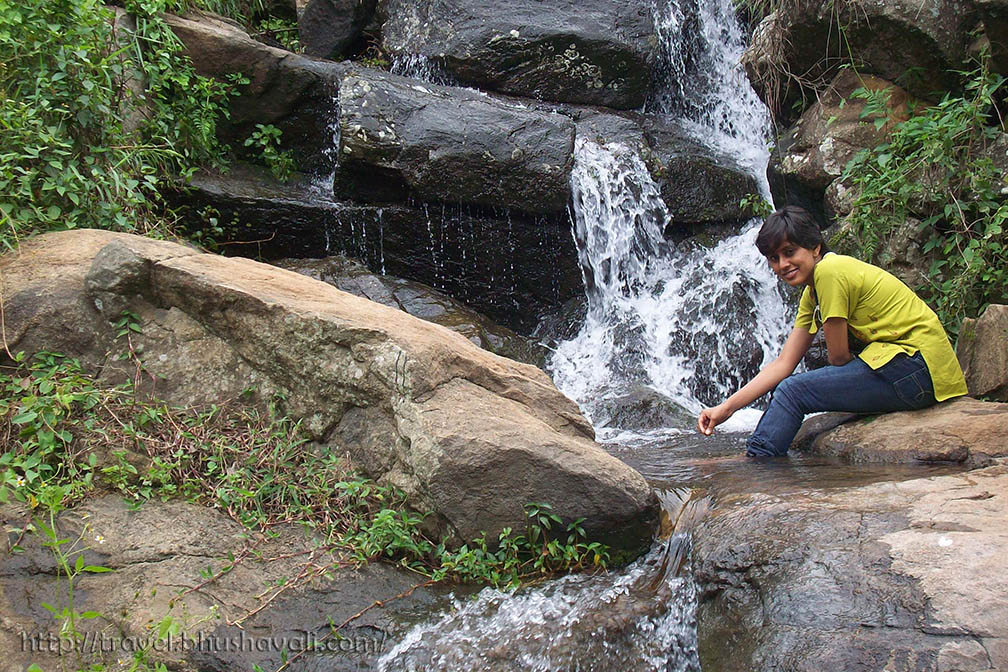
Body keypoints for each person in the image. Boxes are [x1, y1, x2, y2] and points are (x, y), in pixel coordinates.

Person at [697, 205, 968, 457]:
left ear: (815, 248)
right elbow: (784, 363)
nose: (782, 265)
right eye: (774, 258)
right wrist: (726, 409)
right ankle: (761, 462)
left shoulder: (829, 270)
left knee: (793, 392)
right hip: (917, 373)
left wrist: (839, 382)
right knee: (792, 388)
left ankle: (758, 464)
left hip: (915, 368)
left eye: (789, 252)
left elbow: (838, 358)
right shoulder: (812, 293)